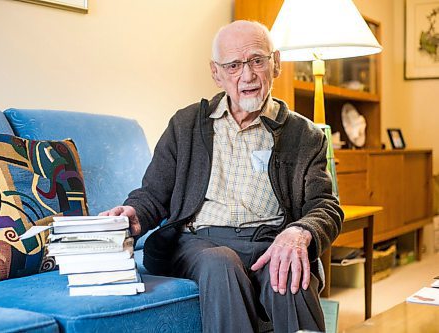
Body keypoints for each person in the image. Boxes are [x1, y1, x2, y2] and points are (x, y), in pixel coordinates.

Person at [101, 20, 343, 333]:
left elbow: (326, 205)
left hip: (271, 239)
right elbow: (153, 193)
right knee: (221, 263)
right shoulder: (186, 124)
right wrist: (134, 213)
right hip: (200, 242)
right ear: (216, 73)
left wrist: (299, 232)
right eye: (233, 65)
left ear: (277, 64)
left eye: (258, 60)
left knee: (287, 269)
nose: (248, 75)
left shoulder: (304, 134)